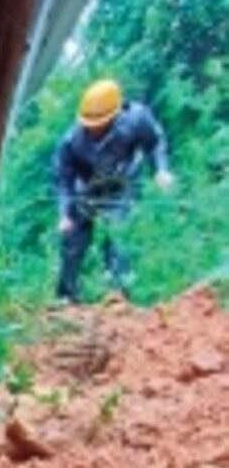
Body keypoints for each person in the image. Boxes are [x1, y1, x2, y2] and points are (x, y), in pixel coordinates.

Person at [53, 79, 173, 303]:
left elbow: (155, 142)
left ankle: (118, 293)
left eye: (100, 122)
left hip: (121, 183)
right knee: (73, 240)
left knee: (118, 235)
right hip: (85, 189)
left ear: (115, 115)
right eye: (90, 123)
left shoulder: (137, 118)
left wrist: (161, 170)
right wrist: (64, 214)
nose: (94, 127)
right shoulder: (71, 141)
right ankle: (66, 297)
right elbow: (63, 180)